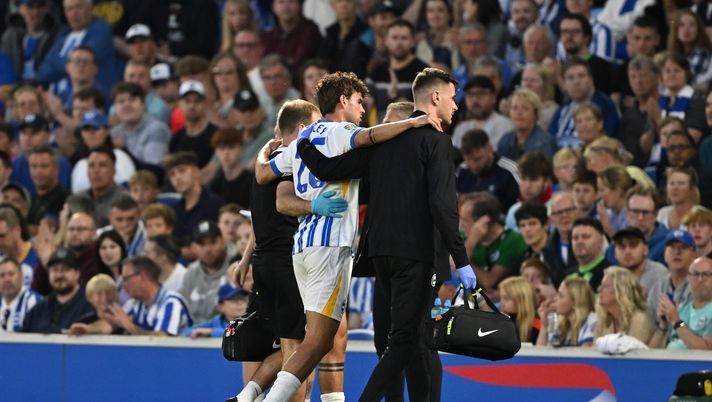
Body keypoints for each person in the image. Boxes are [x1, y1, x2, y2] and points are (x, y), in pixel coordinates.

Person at [295, 67, 474, 402]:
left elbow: (329, 170)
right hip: (416, 255)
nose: (456, 106)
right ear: (435, 97)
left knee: (398, 341)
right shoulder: (436, 141)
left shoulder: (382, 144)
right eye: (452, 97)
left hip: (379, 255)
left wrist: (304, 146)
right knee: (408, 342)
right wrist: (461, 260)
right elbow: (442, 206)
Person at [229, 99, 348, 402]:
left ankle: (245, 397)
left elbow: (259, 217)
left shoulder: (267, 162)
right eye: (315, 125)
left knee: (289, 346)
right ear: (302, 128)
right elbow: (282, 203)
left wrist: (245, 260)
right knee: (300, 348)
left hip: (264, 263)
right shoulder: (291, 162)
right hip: (287, 262)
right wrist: (313, 206)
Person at [104, 255, 192, 336]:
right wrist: (90, 328)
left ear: (143, 276)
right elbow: (109, 325)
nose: (124, 285)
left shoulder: (171, 302)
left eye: (126, 279)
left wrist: (130, 327)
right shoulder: (133, 304)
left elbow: (163, 341)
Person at [461, 192, 526, 297]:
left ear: (484, 221)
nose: (461, 224)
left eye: (465, 220)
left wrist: (469, 247)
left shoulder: (513, 240)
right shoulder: (465, 237)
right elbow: (451, 264)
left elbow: (489, 282)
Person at [366, 19, 430, 120]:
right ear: (386, 40)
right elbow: (366, 108)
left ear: (413, 42)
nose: (399, 43)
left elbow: (426, 111)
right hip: (380, 132)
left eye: (404, 38)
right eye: (394, 38)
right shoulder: (376, 72)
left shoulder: (424, 72)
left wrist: (395, 96)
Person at [549, 58, 619, 149]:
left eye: (581, 76)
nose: (576, 82)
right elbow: (551, 137)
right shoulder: (563, 108)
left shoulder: (605, 105)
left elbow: (609, 138)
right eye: (570, 78)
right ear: (565, 84)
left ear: (590, 80)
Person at [22, 247, 95, 333]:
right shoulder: (38, 310)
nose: (59, 275)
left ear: (77, 273)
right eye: (54, 270)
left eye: (65, 270)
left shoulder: (91, 306)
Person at [179, 220, 237, 323]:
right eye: (202, 244)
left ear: (222, 241)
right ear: (194, 247)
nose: (208, 249)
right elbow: (183, 311)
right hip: (192, 334)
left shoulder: (235, 268)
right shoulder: (191, 272)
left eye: (213, 242)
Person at [650, 256, 712, 350]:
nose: (700, 279)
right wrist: (663, 327)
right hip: (669, 362)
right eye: (695, 274)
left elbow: (706, 349)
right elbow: (650, 354)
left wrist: (677, 322)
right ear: (689, 278)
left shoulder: (678, 317)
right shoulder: (682, 309)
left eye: (706, 274)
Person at [166, 152, 225, 249]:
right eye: (172, 174)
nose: (177, 178)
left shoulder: (214, 205)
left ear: (197, 171)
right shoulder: (173, 211)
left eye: (182, 171)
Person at [71, 110, 136, 193]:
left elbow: (129, 191)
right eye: (86, 129)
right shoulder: (79, 165)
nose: (91, 133)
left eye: (96, 128)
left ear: (106, 131)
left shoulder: (119, 157)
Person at [455, 128, 520, 211]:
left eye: (477, 159)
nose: (473, 165)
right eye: (468, 160)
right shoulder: (462, 169)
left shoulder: (510, 170)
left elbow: (523, 205)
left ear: (490, 150)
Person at [110, 82, 171, 166]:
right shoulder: (114, 133)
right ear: (115, 108)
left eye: (132, 100)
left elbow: (152, 168)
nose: (126, 105)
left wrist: (124, 150)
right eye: (121, 102)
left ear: (143, 104)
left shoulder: (157, 129)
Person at [0, 0, 60, 82]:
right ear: (20, 9)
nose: (35, 12)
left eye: (40, 7)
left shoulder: (56, 36)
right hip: (14, 89)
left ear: (47, 9)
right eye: (30, 7)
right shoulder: (10, 37)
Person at [647, 230, 696, 324]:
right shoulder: (657, 287)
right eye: (672, 248)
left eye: (683, 247)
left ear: (693, 254)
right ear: (665, 255)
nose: (677, 252)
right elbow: (650, 324)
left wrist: (676, 321)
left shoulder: (701, 284)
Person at [595, 266, 654, 344]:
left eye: (605, 286)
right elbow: (595, 351)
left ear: (620, 291)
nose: (599, 289)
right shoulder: (604, 319)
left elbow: (634, 353)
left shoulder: (639, 319)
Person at [451, 75, 513, 149]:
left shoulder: (504, 124)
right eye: (470, 94)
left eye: (481, 94)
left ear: (493, 97)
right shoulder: (461, 128)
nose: (475, 100)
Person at [170, 80, 217, 169]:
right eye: (187, 101)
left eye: (197, 101)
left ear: (204, 104)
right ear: (179, 104)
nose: (192, 106)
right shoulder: (176, 138)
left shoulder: (215, 135)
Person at [536, 277, 597, 347]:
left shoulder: (592, 322)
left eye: (561, 296)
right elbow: (541, 354)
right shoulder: (562, 324)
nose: (555, 299)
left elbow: (586, 356)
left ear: (575, 302)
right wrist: (544, 326)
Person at [499, 88, 557, 160]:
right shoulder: (505, 140)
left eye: (525, 108)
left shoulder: (546, 143)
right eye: (514, 108)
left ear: (536, 114)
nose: (519, 113)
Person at [77, 146, 128, 227]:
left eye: (102, 165)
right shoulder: (78, 198)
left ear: (114, 171)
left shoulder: (124, 200)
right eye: (91, 166)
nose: (96, 170)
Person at [262, 0, 321, 68]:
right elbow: (265, 61)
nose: (286, 7)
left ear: (299, 5)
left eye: (291, 1)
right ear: (273, 7)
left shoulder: (310, 30)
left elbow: (299, 60)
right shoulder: (270, 35)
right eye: (281, 2)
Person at [505, 152, 554, 230]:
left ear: (547, 182)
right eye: (523, 179)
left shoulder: (557, 209)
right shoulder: (513, 212)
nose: (527, 186)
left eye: (533, 179)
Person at [612, 227, 668, 293]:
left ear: (645, 249)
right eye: (622, 246)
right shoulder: (611, 277)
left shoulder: (659, 275)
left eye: (633, 245)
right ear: (614, 253)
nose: (627, 251)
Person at [182, 282, 249, 338]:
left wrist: (211, 332)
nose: (240, 303)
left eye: (243, 299)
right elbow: (186, 332)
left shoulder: (252, 320)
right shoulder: (215, 322)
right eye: (234, 299)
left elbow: (243, 335)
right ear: (220, 306)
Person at [210, 128, 254, 208]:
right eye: (222, 148)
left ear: (242, 149)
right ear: (216, 151)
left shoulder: (251, 182)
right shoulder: (216, 183)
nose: (226, 152)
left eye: (232, 147)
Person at [26, 145, 69, 228]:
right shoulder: (28, 200)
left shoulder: (66, 199)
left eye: (44, 166)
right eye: (34, 166)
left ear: (56, 169)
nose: (38, 171)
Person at [624, 186, 668, 264]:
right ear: (626, 214)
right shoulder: (615, 246)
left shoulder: (668, 245)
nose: (640, 218)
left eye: (646, 212)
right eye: (635, 211)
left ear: (655, 215)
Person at [543, 192, 579, 286]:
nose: (564, 215)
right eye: (559, 212)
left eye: (568, 210)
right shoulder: (547, 248)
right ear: (551, 219)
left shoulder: (592, 235)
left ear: (576, 211)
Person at [567, 217, 611, 291]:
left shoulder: (611, 275)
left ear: (601, 241)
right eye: (575, 238)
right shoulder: (568, 276)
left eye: (585, 237)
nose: (579, 241)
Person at [0, 257, 41, 333]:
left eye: (11, 274)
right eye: (2, 275)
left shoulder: (35, 303)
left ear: (21, 276)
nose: (7, 279)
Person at [499, 276, 540, 343]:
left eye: (506, 298)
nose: (502, 303)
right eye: (501, 298)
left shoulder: (537, 323)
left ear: (521, 300)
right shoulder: (502, 320)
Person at [597, 166, 635, 237]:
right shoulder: (608, 213)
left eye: (602, 190)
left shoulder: (632, 215)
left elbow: (625, 245)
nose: (599, 196)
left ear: (617, 190)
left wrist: (607, 227)